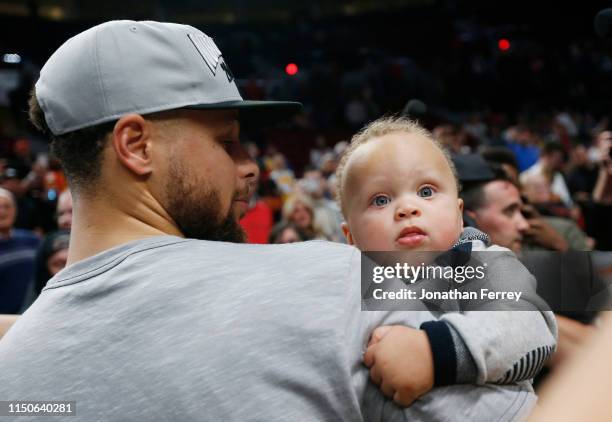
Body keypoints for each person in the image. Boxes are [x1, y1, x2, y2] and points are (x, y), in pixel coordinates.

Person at [0, 20, 539, 421]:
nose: (250, 165)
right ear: (135, 145)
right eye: (226, 140)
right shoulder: (330, 282)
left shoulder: (15, 366)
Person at [334, 116, 556, 407]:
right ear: (350, 237)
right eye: (380, 200)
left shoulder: (478, 260)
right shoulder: (348, 290)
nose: (407, 208)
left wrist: (435, 352)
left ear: (458, 214)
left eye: (426, 191)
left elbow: (530, 327)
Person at [0, 187, 40, 314]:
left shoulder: (32, 239)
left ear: (15, 210)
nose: (2, 211)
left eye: (7, 206)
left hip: (35, 315)